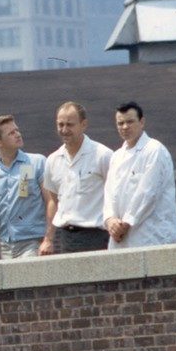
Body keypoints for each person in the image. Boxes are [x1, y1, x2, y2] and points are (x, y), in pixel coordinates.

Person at [103, 101, 176, 249]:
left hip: (152, 237)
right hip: (121, 239)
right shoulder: (117, 156)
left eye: (130, 121)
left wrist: (125, 224)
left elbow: (147, 194)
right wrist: (110, 220)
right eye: (120, 123)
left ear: (142, 122)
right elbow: (109, 193)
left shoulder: (154, 150)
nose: (125, 127)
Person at [42, 101, 113, 253]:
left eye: (70, 124)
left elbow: (117, 194)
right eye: (60, 124)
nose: (64, 129)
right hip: (66, 239)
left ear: (84, 124)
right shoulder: (53, 160)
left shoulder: (103, 155)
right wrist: (48, 239)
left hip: (98, 237)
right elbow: (54, 202)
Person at [0, 115, 50, 260]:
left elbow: (50, 202)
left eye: (17, 130)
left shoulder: (35, 163)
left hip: (33, 241)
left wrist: (48, 239)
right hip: (6, 245)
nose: (18, 134)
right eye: (11, 133)